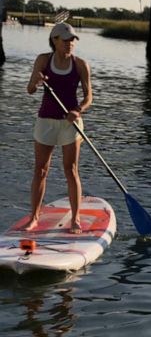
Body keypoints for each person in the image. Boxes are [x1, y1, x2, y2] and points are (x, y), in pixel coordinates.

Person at [25, 22, 92, 233]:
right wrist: (36, 81)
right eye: (66, 40)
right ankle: (34, 218)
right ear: (55, 41)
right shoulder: (43, 60)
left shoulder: (80, 64)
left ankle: (76, 219)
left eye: (73, 40)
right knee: (41, 170)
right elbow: (30, 90)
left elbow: (89, 96)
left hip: (70, 123)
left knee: (71, 170)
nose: (70, 44)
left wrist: (78, 110)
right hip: (46, 120)